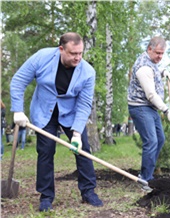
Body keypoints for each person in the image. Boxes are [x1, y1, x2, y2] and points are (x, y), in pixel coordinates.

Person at [10, 32, 103, 211]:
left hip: (71, 113)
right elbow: (18, 81)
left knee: (83, 149)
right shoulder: (42, 57)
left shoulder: (88, 72)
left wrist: (76, 133)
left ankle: (88, 191)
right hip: (44, 111)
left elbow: (84, 104)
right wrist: (18, 111)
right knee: (45, 151)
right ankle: (46, 196)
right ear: (61, 49)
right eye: (73, 53)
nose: (77, 58)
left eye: (80, 53)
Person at [127, 36, 170, 192]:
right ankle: (145, 180)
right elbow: (151, 95)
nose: (160, 57)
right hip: (141, 107)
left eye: (162, 53)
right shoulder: (143, 68)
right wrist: (167, 110)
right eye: (158, 53)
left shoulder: (151, 62)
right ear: (149, 49)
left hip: (150, 108)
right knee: (151, 141)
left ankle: (147, 174)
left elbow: (154, 71)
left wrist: (163, 72)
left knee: (160, 139)